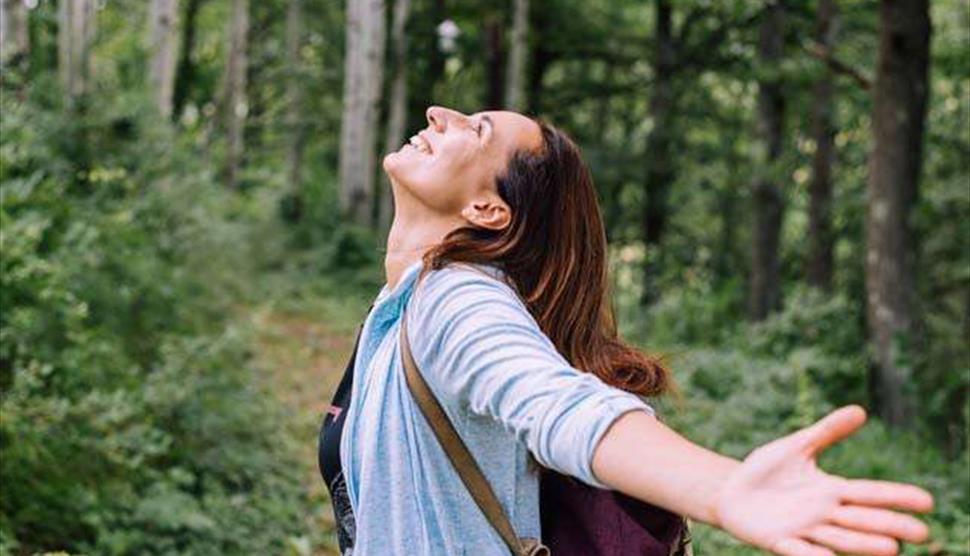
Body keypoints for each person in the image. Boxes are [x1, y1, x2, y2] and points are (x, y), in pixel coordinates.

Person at [318, 106, 934, 556]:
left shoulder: (456, 298)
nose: (438, 113)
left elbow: (558, 404)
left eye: (475, 129)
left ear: (488, 210)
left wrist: (721, 489)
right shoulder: (401, 301)